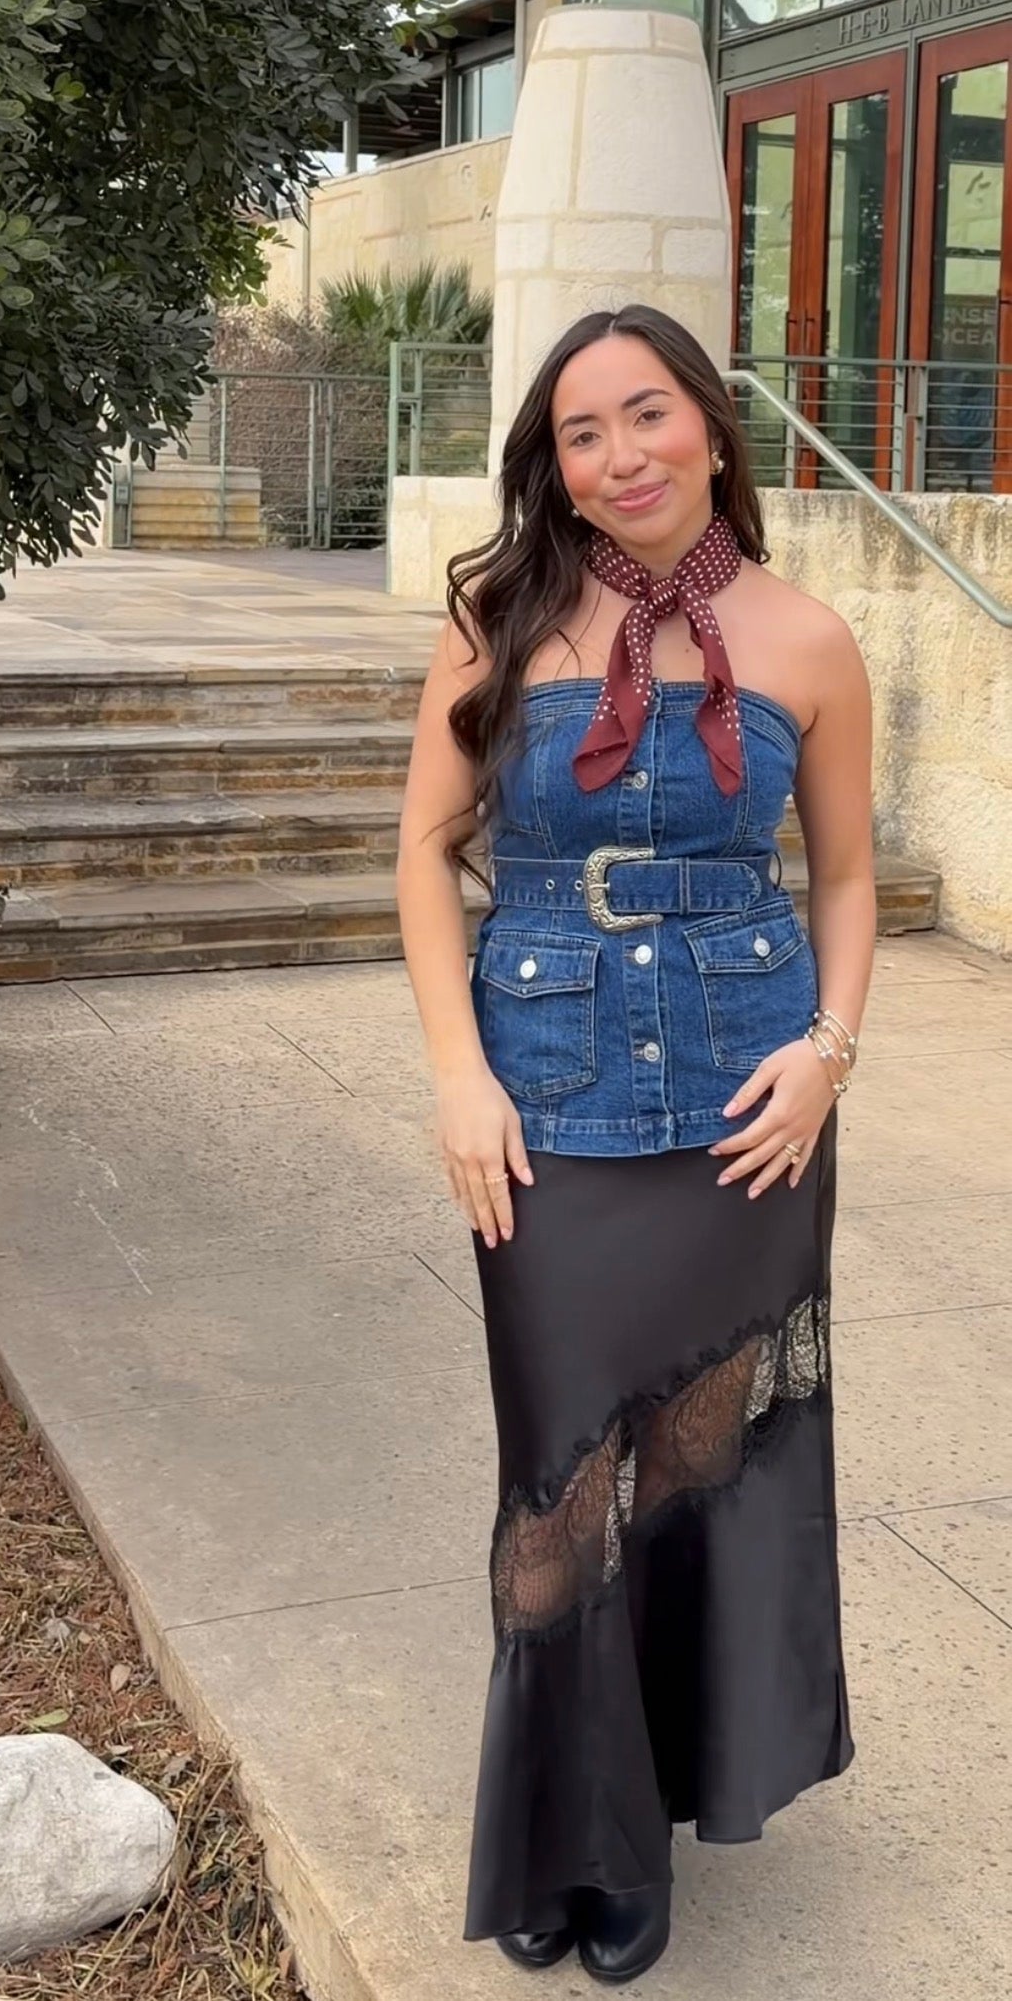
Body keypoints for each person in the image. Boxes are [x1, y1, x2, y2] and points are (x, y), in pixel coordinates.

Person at [395, 305, 874, 1985]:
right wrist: (459, 1075)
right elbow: (419, 860)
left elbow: (846, 879)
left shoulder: (807, 638)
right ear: (558, 461)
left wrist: (829, 1055)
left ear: (711, 425)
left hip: (749, 1116)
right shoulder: (500, 616)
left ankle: (644, 1820)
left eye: (648, 412)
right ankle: (560, 1834)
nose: (621, 455)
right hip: (547, 1099)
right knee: (558, 1489)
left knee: (696, 1458)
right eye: (584, 431)